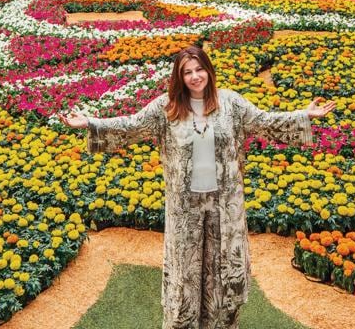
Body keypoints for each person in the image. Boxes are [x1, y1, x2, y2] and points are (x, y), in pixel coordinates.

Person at [63, 47, 335, 329]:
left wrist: (305, 115)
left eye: (199, 69)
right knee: (186, 274)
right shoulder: (165, 108)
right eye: (187, 72)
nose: (195, 77)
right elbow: (131, 127)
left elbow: (264, 122)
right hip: (186, 209)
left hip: (224, 207)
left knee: (222, 269)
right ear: (179, 78)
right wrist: (91, 124)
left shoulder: (231, 103)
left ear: (208, 70)